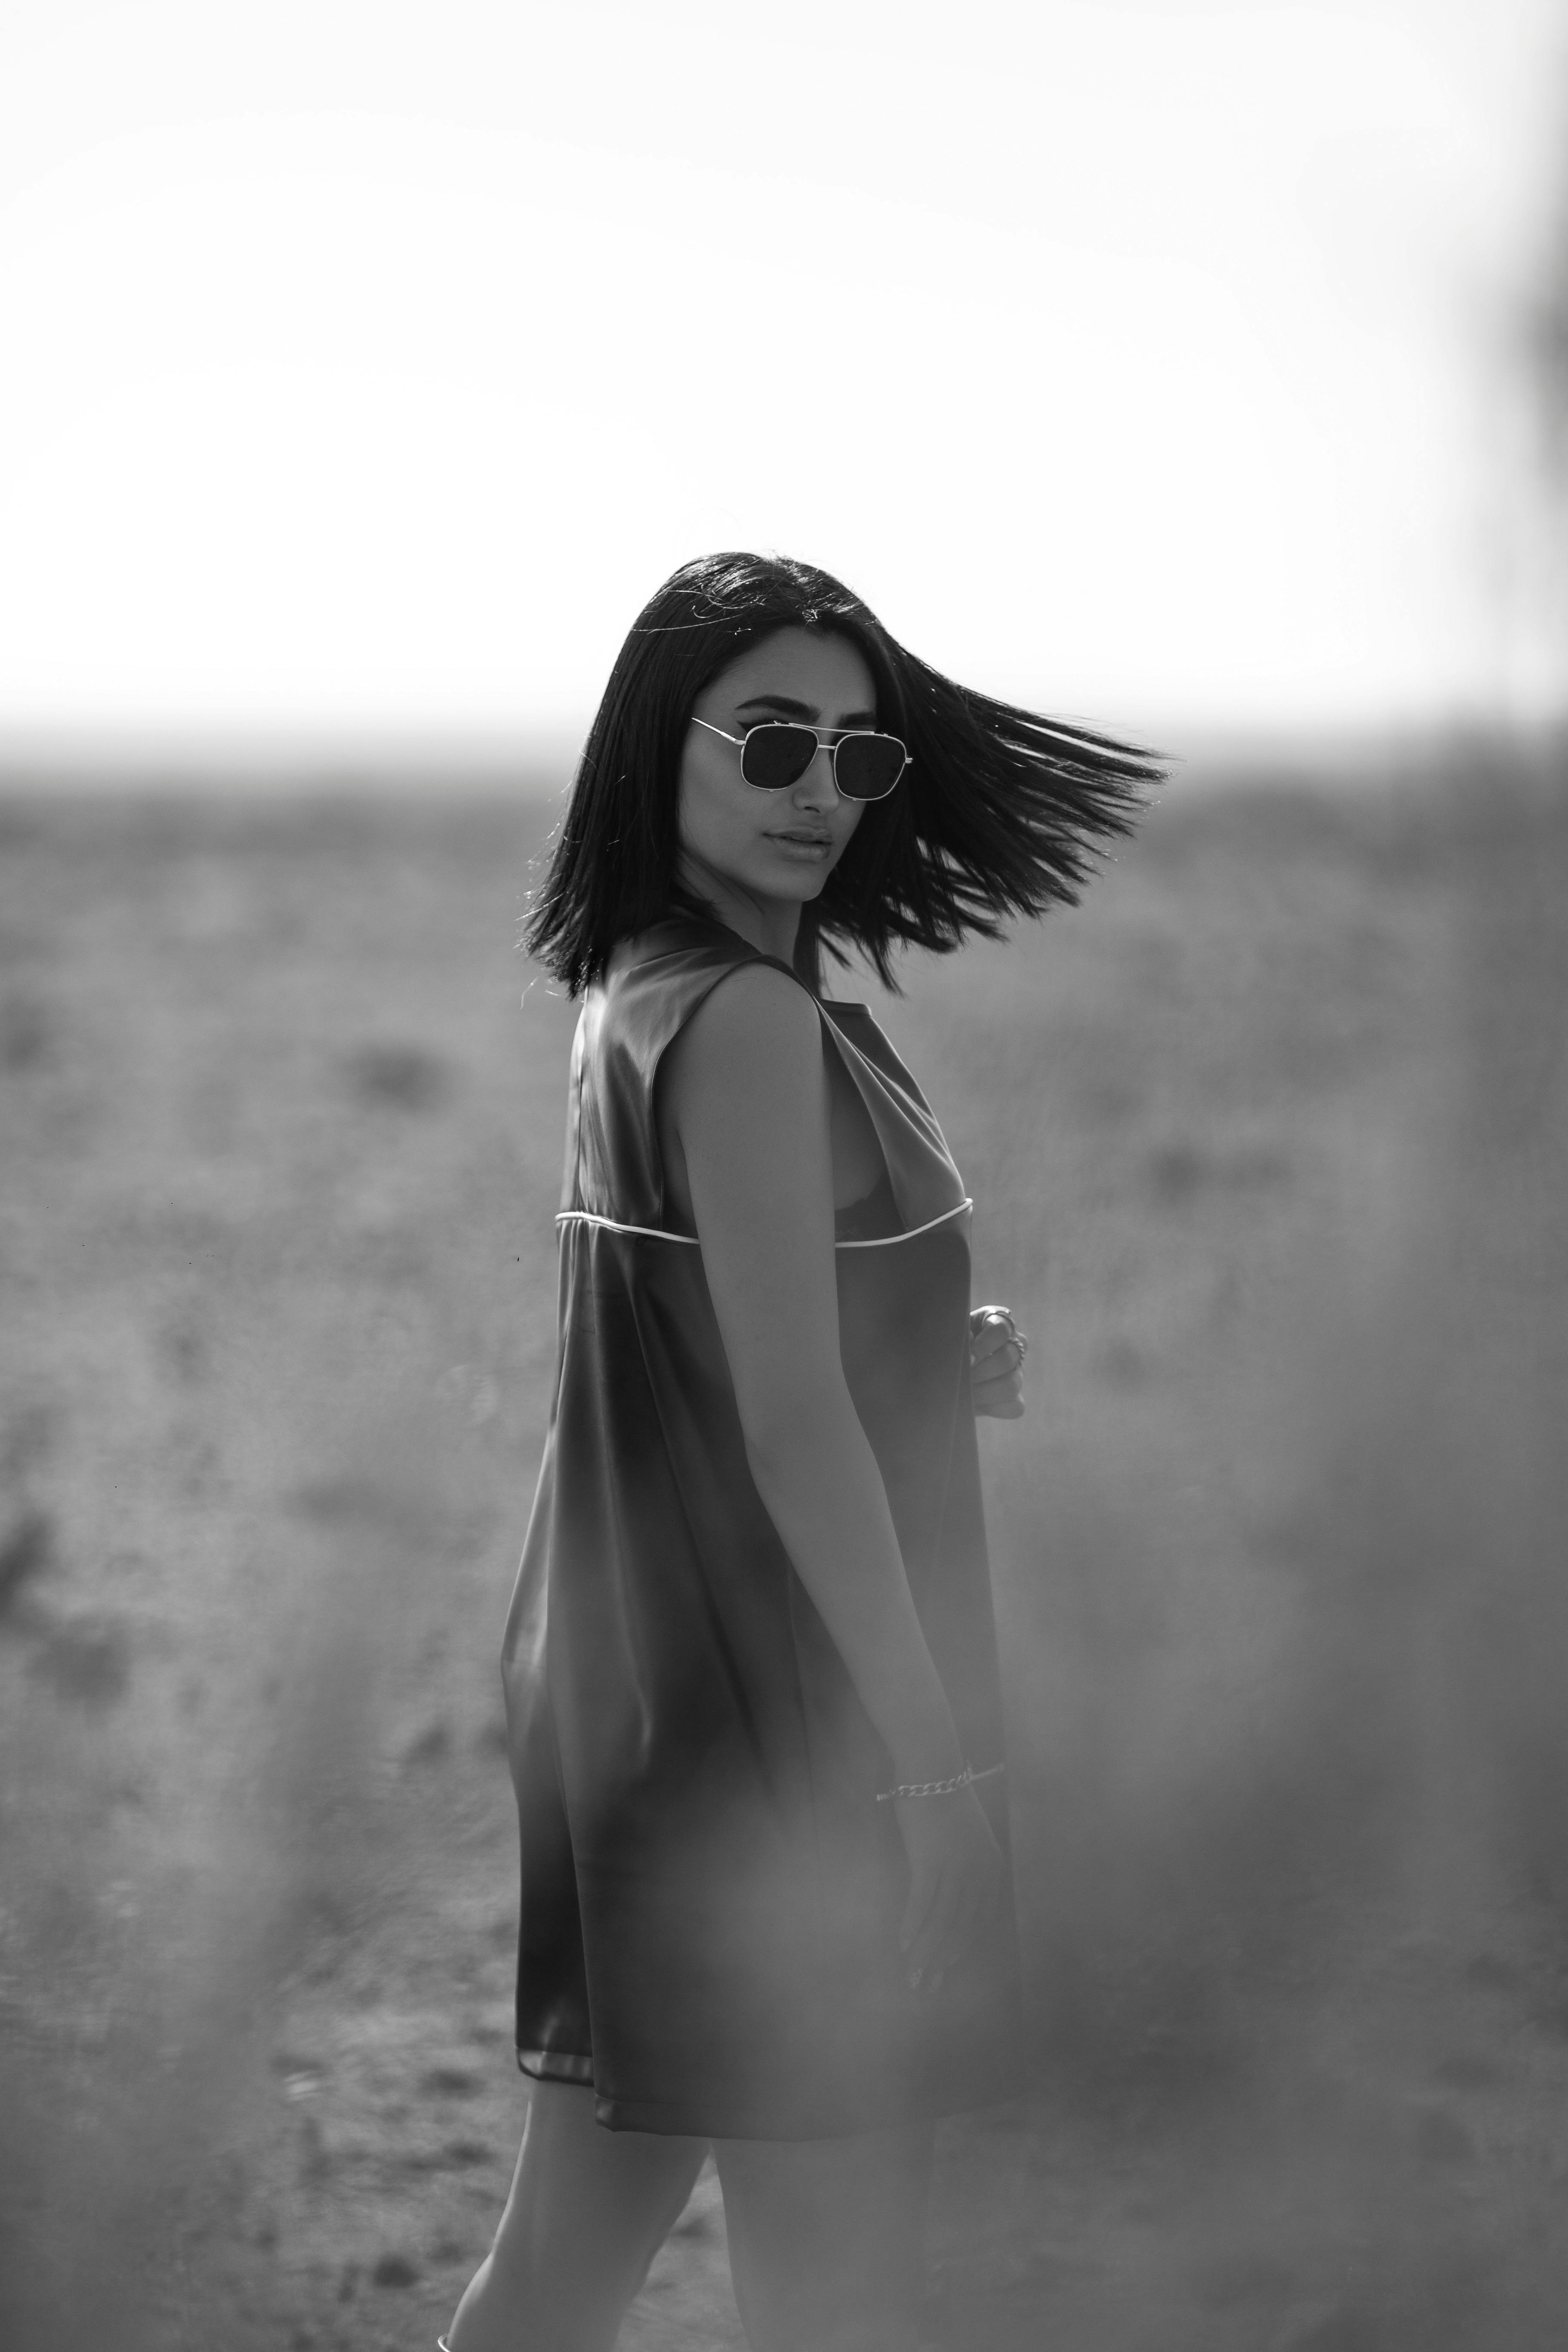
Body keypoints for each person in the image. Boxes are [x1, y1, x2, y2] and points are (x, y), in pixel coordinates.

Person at [443, 553, 1156, 2352]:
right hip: (785, 1708)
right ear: (656, 748)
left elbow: (712, 1334)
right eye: (772, 743)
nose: (820, 793)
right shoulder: (754, 1025)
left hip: (635, 1680)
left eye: (858, 757)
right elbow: (784, 1420)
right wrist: (934, 1778)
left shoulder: (645, 989)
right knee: (839, 2292)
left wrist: (923, 1348)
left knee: (562, 2269)